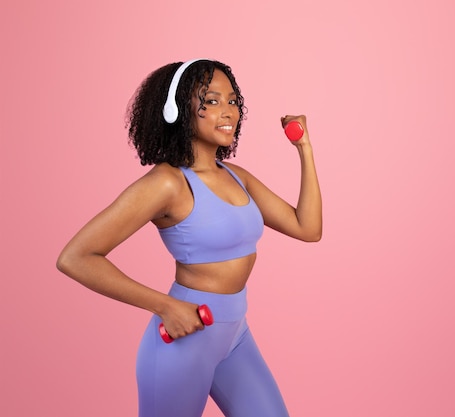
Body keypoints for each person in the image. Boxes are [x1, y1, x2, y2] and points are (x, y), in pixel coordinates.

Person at [56, 58, 322, 417]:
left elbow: (307, 228)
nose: (227, 112)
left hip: (235, 335)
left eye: (232, 101)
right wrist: (165, 306)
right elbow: (76, 257)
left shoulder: (236, 175)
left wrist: (304, 149)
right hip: (183, 338)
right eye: (211, 101)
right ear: (179, 110)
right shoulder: (166, 183)